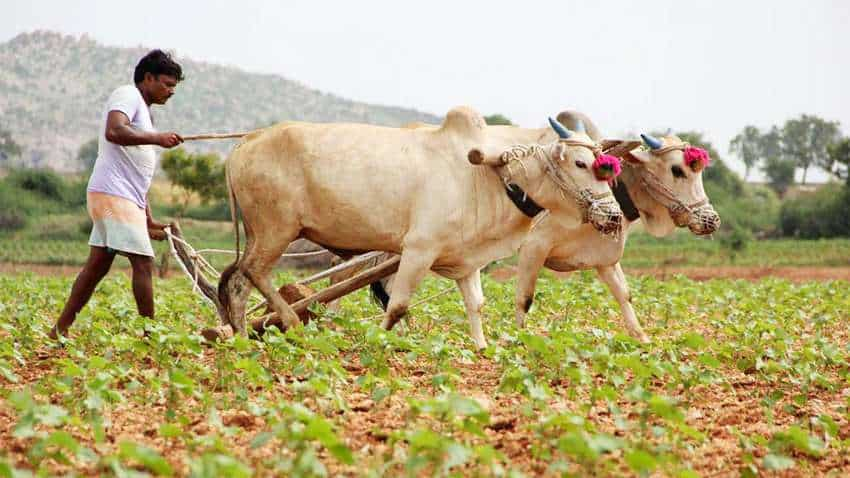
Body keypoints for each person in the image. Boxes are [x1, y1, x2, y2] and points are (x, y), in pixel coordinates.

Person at [49, 49, 185, 339]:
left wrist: (146, 219)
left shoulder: (145, 112)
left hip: (121, 196)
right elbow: (114, 131)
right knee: (143, 263)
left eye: (174, 86)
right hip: (112, 195)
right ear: (147, 78)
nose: (171, 91)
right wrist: (157, 139)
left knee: (96, 267)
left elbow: (135, 172)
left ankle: (59, 330)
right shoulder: (127, 95)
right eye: (166, 84)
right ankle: (150, 336)